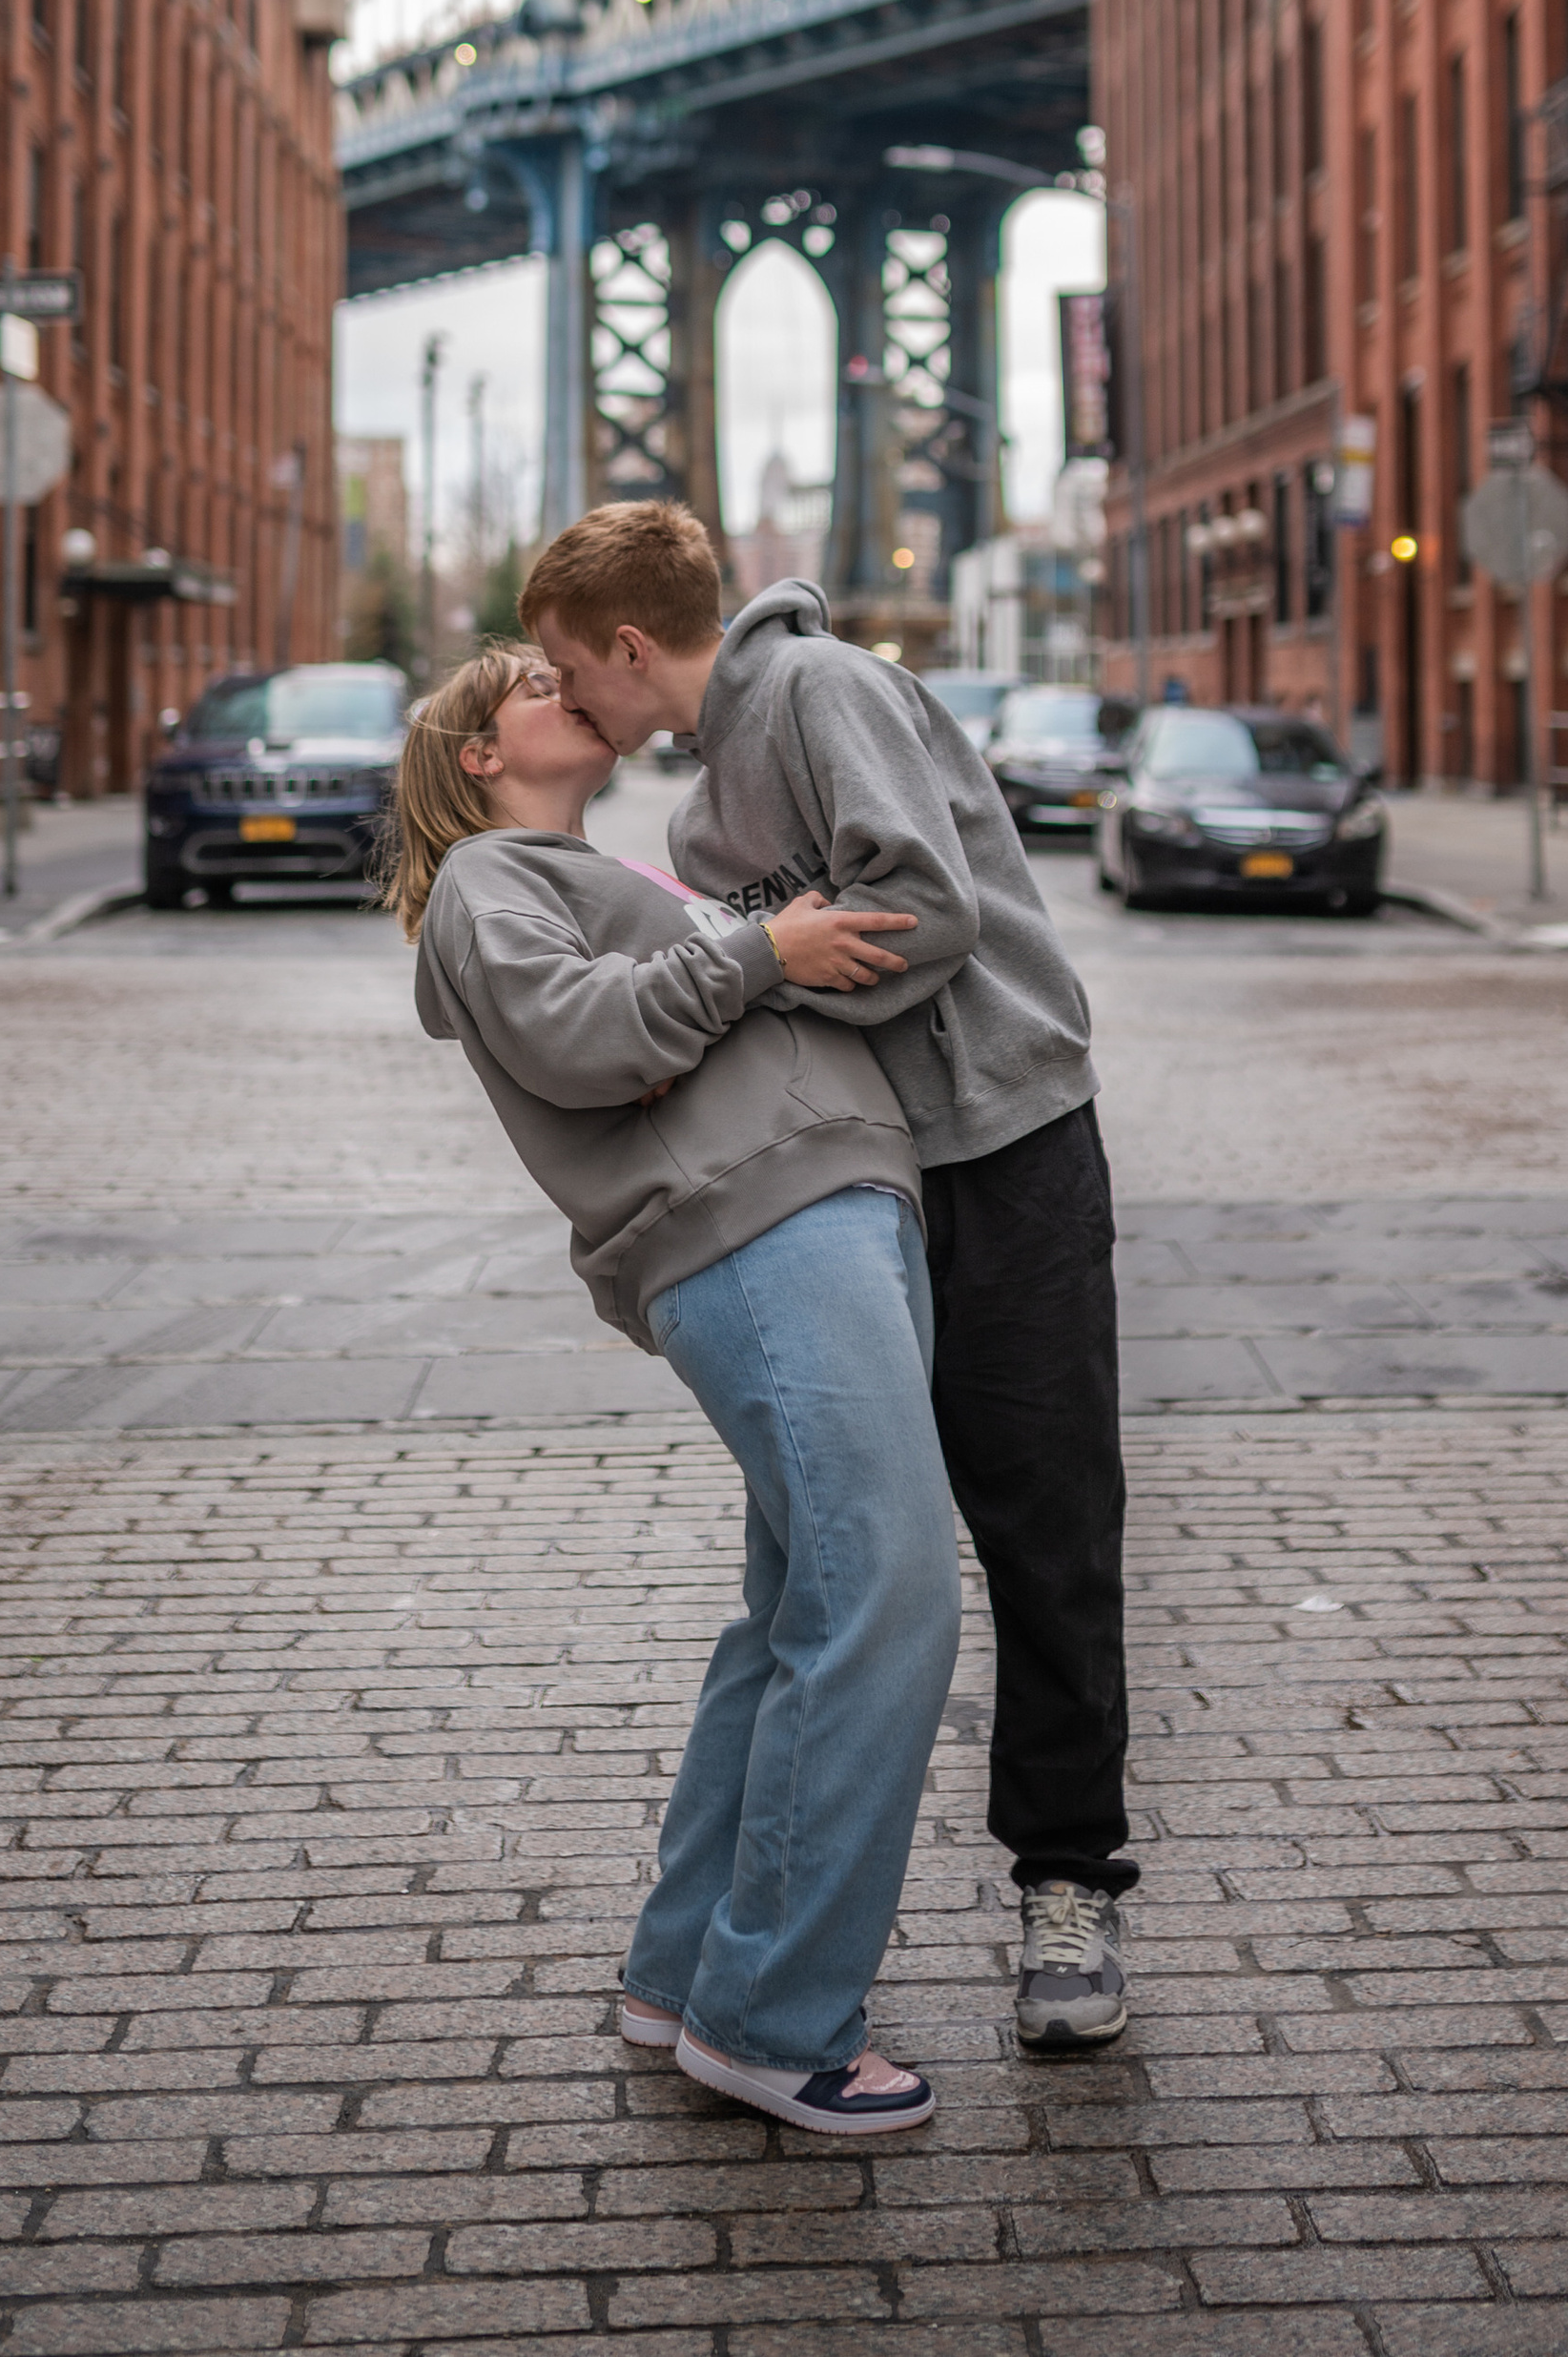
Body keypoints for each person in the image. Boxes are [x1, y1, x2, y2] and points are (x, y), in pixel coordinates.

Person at [521, 501, 1135, 2051]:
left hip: (1007, 1142)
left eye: (559, 666)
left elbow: (919, 908)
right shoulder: (690, 820)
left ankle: (1068, 1884)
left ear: (629, 648)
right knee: (836, 1558)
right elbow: (777, 979)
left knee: (1047, 1528)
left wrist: (772, 964)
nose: (561, 694)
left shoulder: (823, 689)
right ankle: (757, 1944)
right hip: (860, 1192)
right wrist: (767, 962)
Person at [390, 641, 964, 2135]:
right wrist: (760, 955)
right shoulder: (485, 884)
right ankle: (773, 2019)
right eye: (530, 675)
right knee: (892, 1591)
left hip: (817, 1211)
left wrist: (729, 959)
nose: (566, 675)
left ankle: (682, 1974)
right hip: (761, 1228)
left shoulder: (580, 871)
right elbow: (586, 1039)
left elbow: (644, 1015)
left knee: (801, 1615)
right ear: (477, 751)